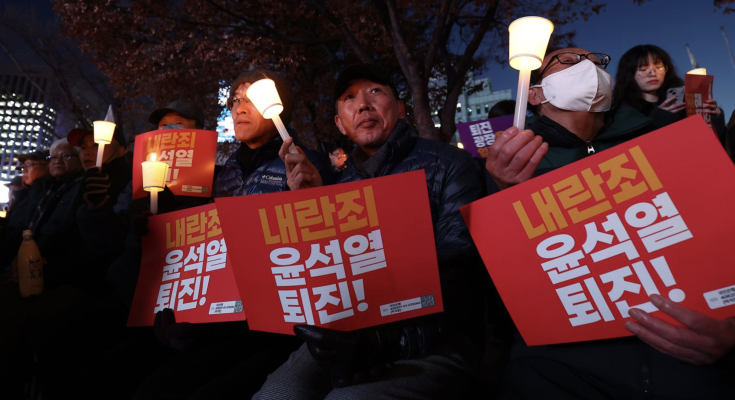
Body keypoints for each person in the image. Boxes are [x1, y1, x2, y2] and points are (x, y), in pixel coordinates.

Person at [486, 47, 735, 399]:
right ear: (537, 92)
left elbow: (722, 233)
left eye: (597, 61)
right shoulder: (509, 164)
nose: (589, 67)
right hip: (569, 364)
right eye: (570, 61)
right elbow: (510, 278)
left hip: (688, 343)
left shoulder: (668, 131)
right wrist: (506, 196)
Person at [254, 63, 489, 399]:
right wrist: (311, 205)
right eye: (349, 98)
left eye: (375, 91)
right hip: (347, 335)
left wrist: (387, 340)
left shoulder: (450, 164)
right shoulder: (337, 185)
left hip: (436, 339)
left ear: (401, 108)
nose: (363, 104)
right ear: (340, 124)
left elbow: (461, 270)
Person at [134, 70, 332, 400]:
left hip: (276, 332)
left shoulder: (306, 165)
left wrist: (308, 201)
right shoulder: (222, 176)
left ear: (277, 106)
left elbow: (316, 254)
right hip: (221, 322)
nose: (239, 108)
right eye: (236, 100)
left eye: (252, 99)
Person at [612, 44, 726, 135]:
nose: (652, 73)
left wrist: (715, 117)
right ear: (629, 74)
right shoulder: (621, 112)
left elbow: (710, 141)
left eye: (658, 67)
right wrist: (658, 120)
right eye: (643, 69)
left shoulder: (685, 102)